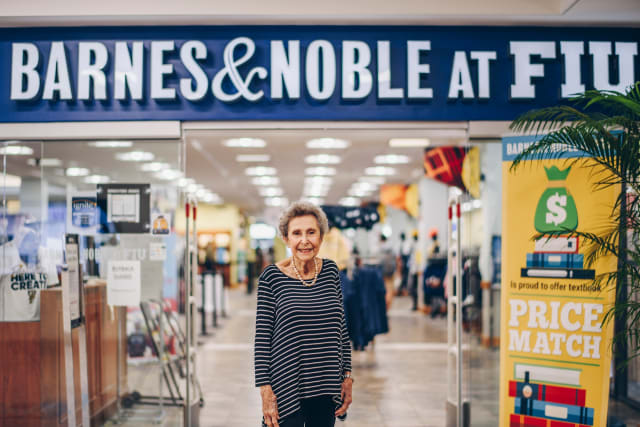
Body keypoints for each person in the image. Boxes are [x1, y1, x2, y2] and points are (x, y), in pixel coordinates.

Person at [254, 201, 353, 427]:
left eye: (311, 232)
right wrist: (265, 390)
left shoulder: (330, 271)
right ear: (286, 238)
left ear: (321, 236)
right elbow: (262, 338)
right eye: (296, 233)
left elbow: (341, 330)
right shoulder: (271, 277)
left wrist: (347, 376)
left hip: (326, 384)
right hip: (286, 386)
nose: (304, 240)